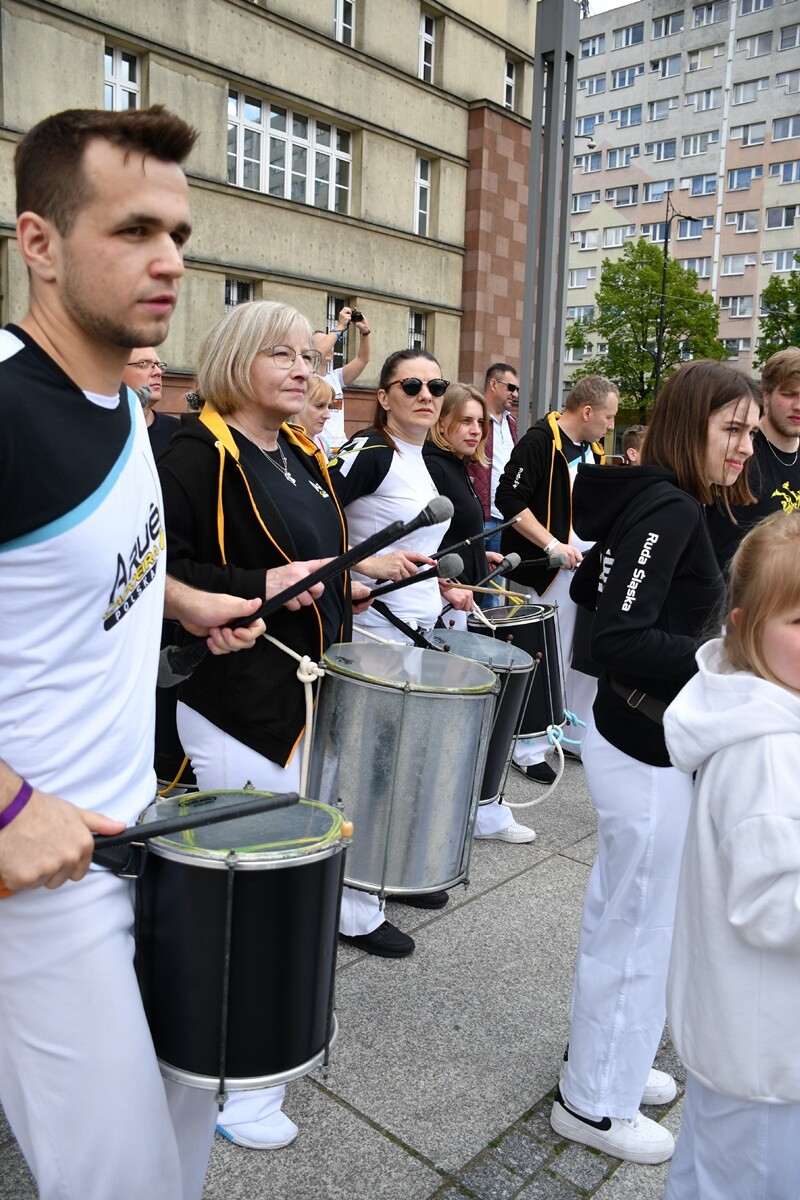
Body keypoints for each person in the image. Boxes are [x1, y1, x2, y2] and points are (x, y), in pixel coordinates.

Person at [0, 106, 285, 1200]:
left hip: (141, 833)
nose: (168, 260)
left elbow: (86, 558)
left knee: (181, 1142)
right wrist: (13, 812)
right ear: (39, 242)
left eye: (179, 233)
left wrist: (183, 601)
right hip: (37, 881)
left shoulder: (119, 400)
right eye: (131, 231)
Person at [158, 298, 379, 1150]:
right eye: (281, 355)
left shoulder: (294, 453)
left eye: (310, 356)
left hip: (301, 692)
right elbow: (161, 569)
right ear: (234, 360)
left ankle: (259, 1052)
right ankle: (232, 1080)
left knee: (282, 881)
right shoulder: (190, 450)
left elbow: (312, 562)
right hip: (239, 700)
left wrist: (353, 576)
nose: (304, 369)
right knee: (249, 892)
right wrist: (262, 578)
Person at [550, 360, 762, 1166]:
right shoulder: (668, 507)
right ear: (690, 426)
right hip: (641, 743)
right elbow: (616, 640)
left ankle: (608, 1062)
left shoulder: (665, 500)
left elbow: (612, 610)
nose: (745, 446)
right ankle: (595, 1106)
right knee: (637, 927)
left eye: (749, 431)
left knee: (626, 917)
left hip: (639, 737)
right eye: (732, 430)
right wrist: (728, 653)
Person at [663, 511, 800, 1199]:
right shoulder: (769, 752)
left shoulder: (774, 707)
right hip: (768, 1057)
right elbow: (773, 905)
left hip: (750, 1042)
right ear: (745, 627)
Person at [328, 350, 474, 940]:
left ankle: (386, 877)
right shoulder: (369, 451)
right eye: (410, 383)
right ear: (383, 396)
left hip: (414, 628)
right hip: (373, 632)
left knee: (398, 766)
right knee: (368, 768)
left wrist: (439, 578)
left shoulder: (419, 460)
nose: (426, 393)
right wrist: (353, 581)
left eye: (435, 384)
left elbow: (403, 542)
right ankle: (354, 909)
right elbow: (315, 523)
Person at [423, 382, 535, 845]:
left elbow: (456, 534)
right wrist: (444, 584)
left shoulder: (459, 467)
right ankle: (459, 809)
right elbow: (424, 542)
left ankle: (472, 806)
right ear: (442, 423)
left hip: (456, 596)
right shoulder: (434, 466)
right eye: (465, 421)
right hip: (438, 606)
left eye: (480, 423)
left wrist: (476, 560)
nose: (475, 431)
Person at [495, 376, 618, 781]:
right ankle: (527, 745)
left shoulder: (594, 449)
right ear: (586, 412)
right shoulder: (538, 442)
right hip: (548, 569)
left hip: (584, 564)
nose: (611, 425)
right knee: (546, 652)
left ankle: (568, 731)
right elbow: (508, 500)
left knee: (581, 651)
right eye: (608, 416)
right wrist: (550, 545)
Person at [707, 347, 800, 571]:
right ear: (765, 396)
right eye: (789, 394)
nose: (798, 405)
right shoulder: (735, 452)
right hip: (728, 597)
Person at [467, 362, 519, 562]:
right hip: (479, 516)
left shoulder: (511, 422)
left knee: (495, 581)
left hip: (503, 516)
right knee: (470, 578)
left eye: (517, 390)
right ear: (493, 384)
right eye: (511, 388)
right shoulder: (475, 418)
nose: (515, 394)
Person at [312, 304, 371, 450]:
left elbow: (362, 359)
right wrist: (340, 326)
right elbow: (316, 356)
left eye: (332, 341)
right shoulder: (306, 377)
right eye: (325, 342)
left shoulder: (336, 377)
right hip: (318, 448)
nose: (331, 347)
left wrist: (365, 332)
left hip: (340, 448)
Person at [123, 347, 179, 458]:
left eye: (159, 365)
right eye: (143, 363)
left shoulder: (177, 433)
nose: (158, 372)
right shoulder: (97, 431)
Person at [295, 372, 335, 457]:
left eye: (329, 407)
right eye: (320, 406)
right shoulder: (284, 444)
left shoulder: (323, 446)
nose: (328, 415)